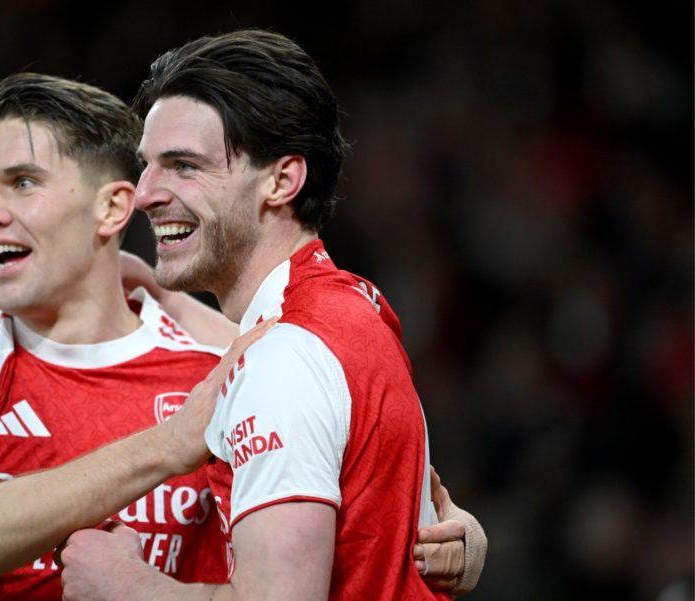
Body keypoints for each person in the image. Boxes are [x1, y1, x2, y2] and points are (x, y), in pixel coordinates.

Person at [0, 72, 480, 600]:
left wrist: (457, 537)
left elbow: (372, 479)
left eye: (23, 182)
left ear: (113, 209)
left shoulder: (225, 359)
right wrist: (170, 444)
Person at [57, 29, 486, 601]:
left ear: (282, 180)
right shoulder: (356, 306)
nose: (145, 194)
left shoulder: (284, 357)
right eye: (148, 166)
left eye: (183, 166)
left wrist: (123, 585)